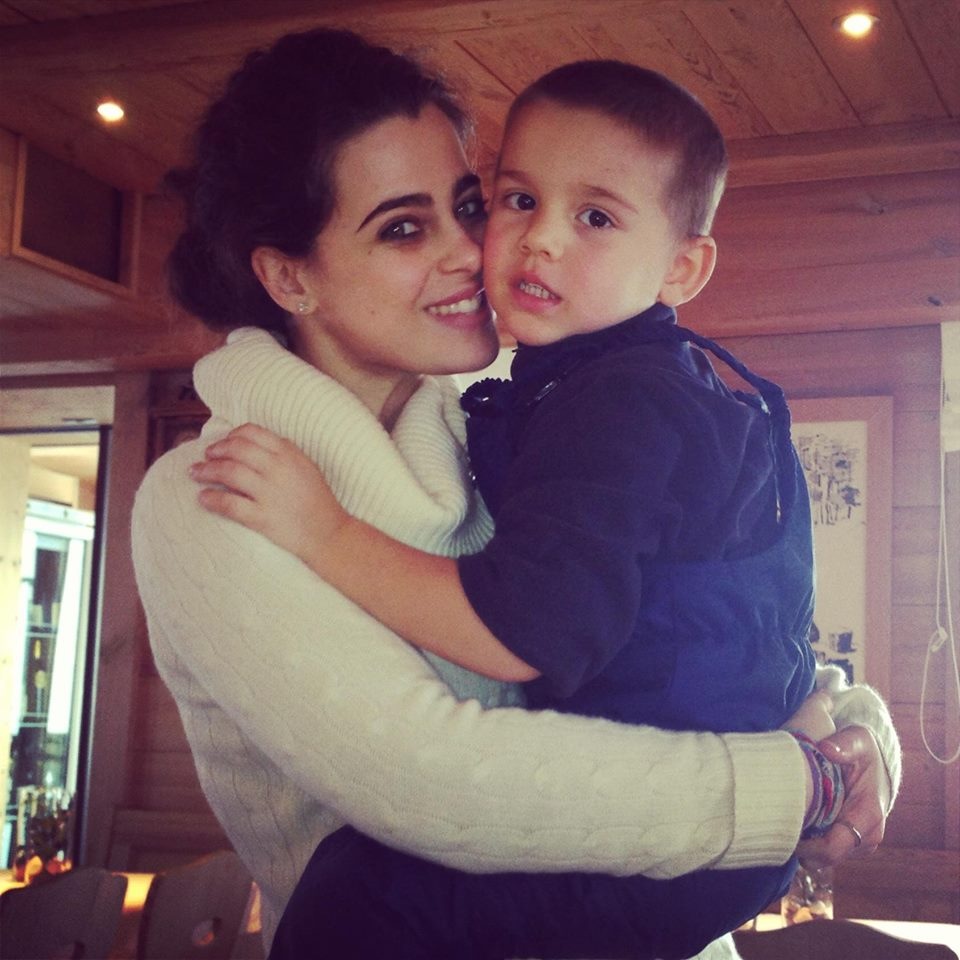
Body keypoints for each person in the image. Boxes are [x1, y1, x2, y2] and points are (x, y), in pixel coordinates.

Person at [134, 28, 899, 960]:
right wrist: (795, 785)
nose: (476, 250)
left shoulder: (514, 428)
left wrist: (853, 725)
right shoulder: (213, 497)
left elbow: (707, 607)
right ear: (291, 275)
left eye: (469, 205)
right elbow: (433, 781)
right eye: (405, 227)